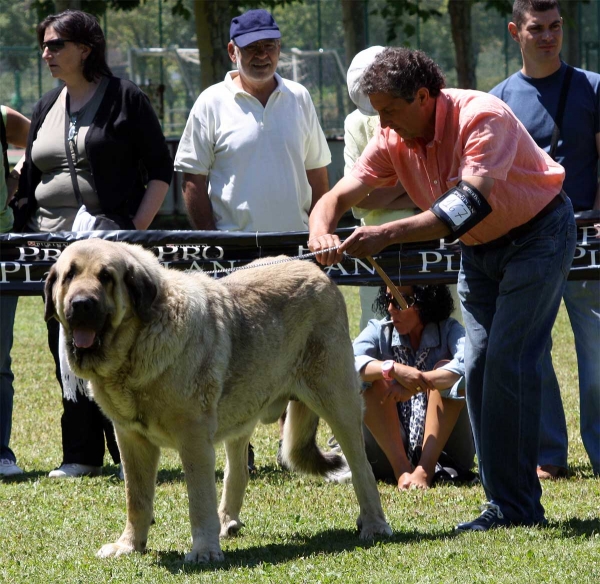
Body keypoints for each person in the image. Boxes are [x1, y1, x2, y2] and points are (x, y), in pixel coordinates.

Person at [308, 47, 576, 531]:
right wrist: (320, 228)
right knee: (476, 368)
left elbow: (467, 204)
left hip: (537, 235)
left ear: (424, 96)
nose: (381, 121)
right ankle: (504, 505)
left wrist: (387, 233)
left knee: (509, 362)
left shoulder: (482, 116)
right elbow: (339, 194)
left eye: (388, 108)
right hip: (479, 251)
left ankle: (517, 506)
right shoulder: (393, 133)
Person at [174, 8, 331, 470]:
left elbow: (318, 172)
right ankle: (238, 456)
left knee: (297, 349)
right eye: (252, 48)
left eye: (270, 47)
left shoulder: (299, 97)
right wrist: (213, 244)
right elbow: (193, 180)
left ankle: (293, 448)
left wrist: (320, 230)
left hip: (296, 251)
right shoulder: (210, 102)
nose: (263, 56)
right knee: (235, 355)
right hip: (235, 254)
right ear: (232, 51)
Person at [18, 10, 172, 478]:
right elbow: (31, 172)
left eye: (56, 44)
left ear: (85, 48)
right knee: (65, 344)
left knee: (119, 344)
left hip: (111, 248)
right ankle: (80, 455)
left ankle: (130, 451)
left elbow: (160, 171)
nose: (47, 53)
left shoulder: (126, 99)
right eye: (44, 45)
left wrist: (132, 237)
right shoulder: (47, 104)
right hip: (54, 247)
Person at [490, 0, 600, 479]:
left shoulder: (591, 87)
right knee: (533, 355)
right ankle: (549, 455)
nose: (548, 37)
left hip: (588, 242)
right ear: (516, 31)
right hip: (528, 246)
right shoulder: (498, 100)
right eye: (537, 28)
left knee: (596, 352)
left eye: (555, 27)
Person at [353, 284, 474, 490]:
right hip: (384, 458)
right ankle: (402, 469)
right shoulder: (379, 329)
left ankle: (425, 469)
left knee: (447, 372)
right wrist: (392, 369)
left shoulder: (449, 329)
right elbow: (347, 362)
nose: (391, 309)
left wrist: (420, 382)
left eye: (402, 301)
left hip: (448, 454)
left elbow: (469, 361)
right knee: (372, 378)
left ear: (426, 301)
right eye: (388, 299)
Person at [344, 47, 421, 331]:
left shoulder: (424, 114)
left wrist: (386, 186)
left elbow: (443, 192)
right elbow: (359, 201)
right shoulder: (355, 123)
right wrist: (415, 186)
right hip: (378, 248)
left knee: (442, 323)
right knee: (379, 325)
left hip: (432, 242)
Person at [0, 105, 30, 477]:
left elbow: (37, 142)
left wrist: (14, 180)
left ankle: (1, 451)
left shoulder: (1, 117)